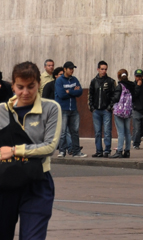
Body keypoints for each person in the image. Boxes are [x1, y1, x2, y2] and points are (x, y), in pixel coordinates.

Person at [0, 61, 63, 240]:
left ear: (38, 84)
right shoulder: (2, 111)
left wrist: (14, 150)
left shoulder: (51, 108)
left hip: (37, 182)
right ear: (13, 85)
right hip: (4, 182)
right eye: (20, 87)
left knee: (32, 237)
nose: (25, 92)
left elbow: (50, 146)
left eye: (31, 86)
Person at [86, 61, 119, 158]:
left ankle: (107, 150)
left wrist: (110, 107)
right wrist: (92, 107)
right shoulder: (93, 81)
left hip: (106, 110)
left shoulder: (110, 81)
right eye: (102, 69)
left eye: (105, 69)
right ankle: (99, 151)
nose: (104, 71)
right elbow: (90, 95)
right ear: (98, 69)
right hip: (96, 110)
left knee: (107, 131)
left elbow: (114, 95)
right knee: (97, 132)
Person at [53, 62, 82, 158]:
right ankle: (62, 151)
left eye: (73, 69)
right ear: (64, 69)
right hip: (63, 109)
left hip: (73, 109)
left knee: (75, 131)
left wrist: (69, 91)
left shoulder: (74, 79)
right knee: (63, 132)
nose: (72, 70)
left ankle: (76, 151)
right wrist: (73, 91)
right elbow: (61, 94)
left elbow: (80, 91)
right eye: (70, 69)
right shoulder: (59, 81)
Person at [111, 69, 134, 159]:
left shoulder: (119, 86)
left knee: (120, 132)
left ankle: (119, 151)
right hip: (128, 111)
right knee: (127, 132)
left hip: (119, 111)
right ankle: (127, 151)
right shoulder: (131, 86)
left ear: (119, 76)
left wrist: (111, 102)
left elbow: (116, 98)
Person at [130, 69, 143, 151]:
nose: (139, 78)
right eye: (137, 76)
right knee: (137, 129)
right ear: (135, 76)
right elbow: (133, 97)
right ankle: (136, 143)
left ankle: (135, 137)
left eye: (140, 76)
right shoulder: (132, 85)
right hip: (136, 110)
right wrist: (138, 86)